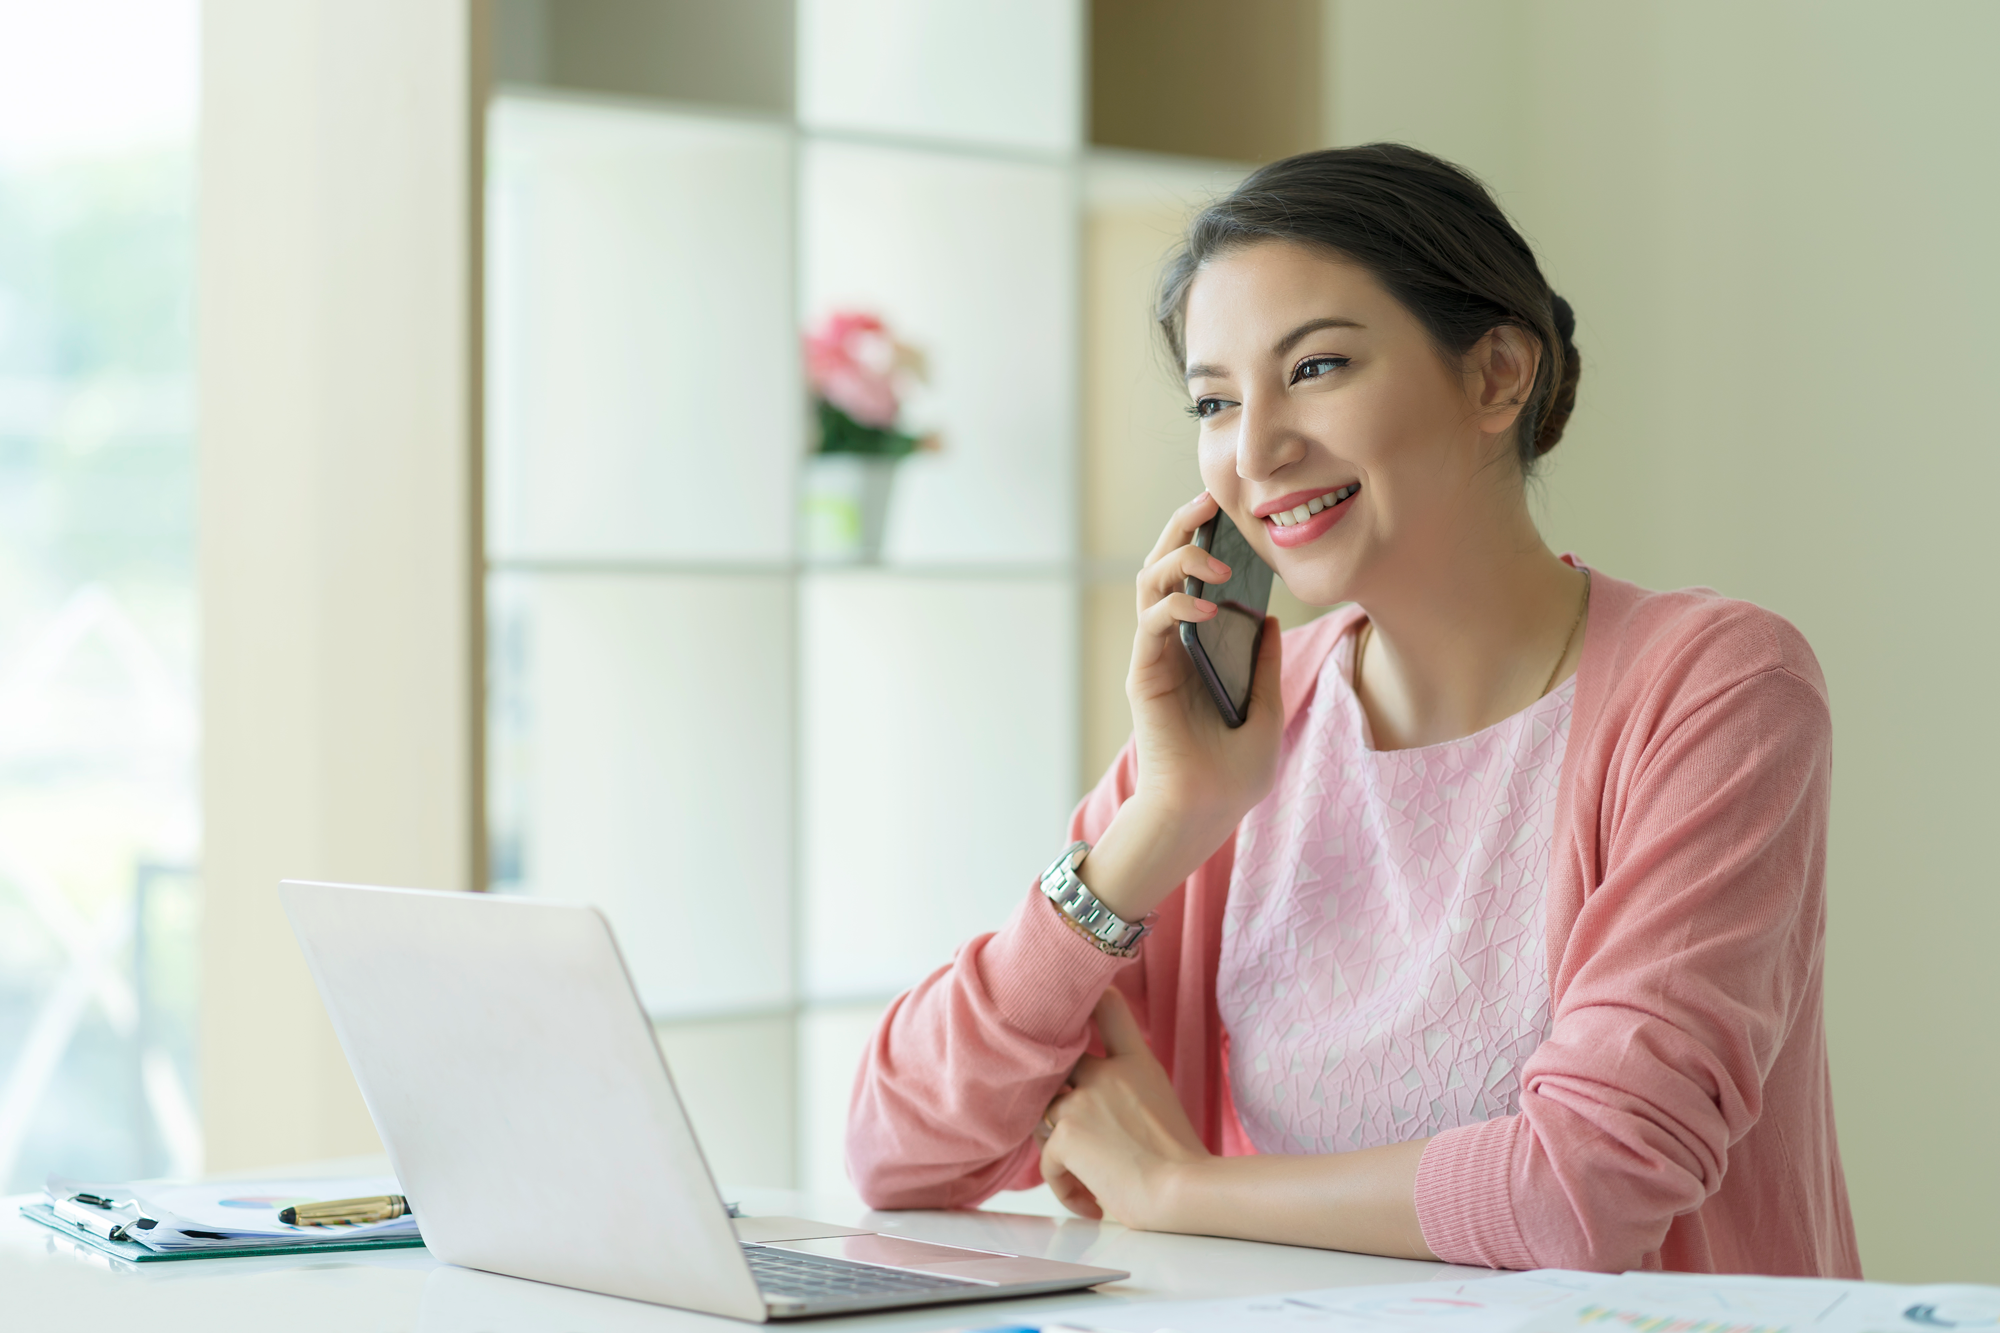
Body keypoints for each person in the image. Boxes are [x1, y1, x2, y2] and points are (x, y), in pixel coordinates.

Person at [844, 144, 1859, 1276]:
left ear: (1496, 376)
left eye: (1316, 368)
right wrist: (1159, 826)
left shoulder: (1714, 689)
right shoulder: (1228, 740)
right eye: (1215, 401)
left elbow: (1583, 1192)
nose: (1256, 449)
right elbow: (896, 1149)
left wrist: (1177, 1188)